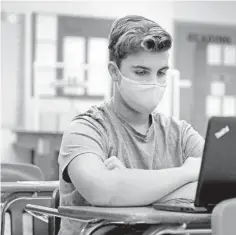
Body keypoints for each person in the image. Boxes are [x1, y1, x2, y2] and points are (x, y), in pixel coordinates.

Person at [57, 15, 204, 235]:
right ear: (115, 72)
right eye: (141, 72)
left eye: (161, 72)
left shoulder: (180, 133)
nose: (154, 82)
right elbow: (102, 191)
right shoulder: (86, 129)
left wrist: (129, 186)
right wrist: (185, 174)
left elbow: (218, 186)